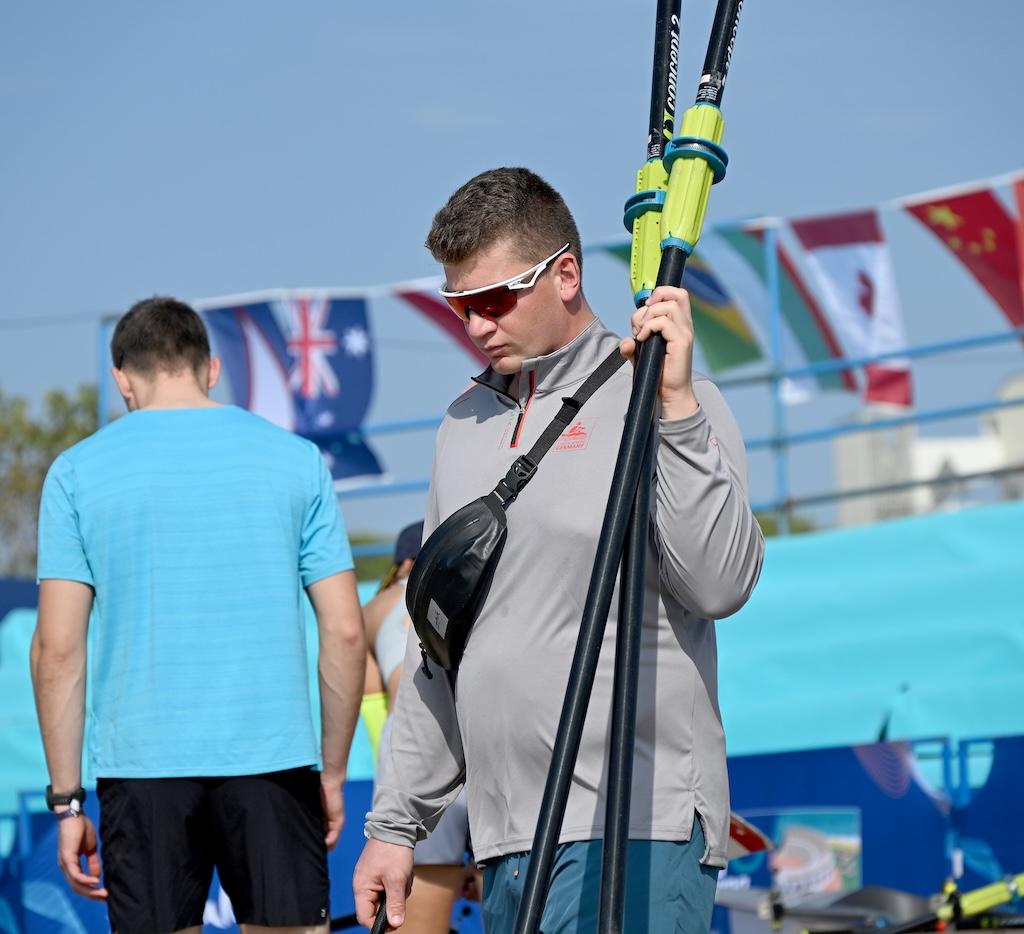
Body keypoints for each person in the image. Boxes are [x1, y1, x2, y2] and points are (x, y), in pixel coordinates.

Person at [353, 167, 765, 933]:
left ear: (566, 275)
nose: (477, 325)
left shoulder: (664, 393)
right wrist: (394, 825)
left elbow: (722, 584)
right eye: (459, 306)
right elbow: (437, 647)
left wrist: (676, 410)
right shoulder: (460, 426)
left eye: (494, 299)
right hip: (506, 833)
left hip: (641, 823)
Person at [31, 297, 367, 934]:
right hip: (274, 765)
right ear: (211, 369)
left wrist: (68, 801)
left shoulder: (76, 473)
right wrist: (331, 774)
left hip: (142, 770)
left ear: (122, 379)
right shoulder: (296, 459)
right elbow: (346, 632)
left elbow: (58, 651)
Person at [362, 521, 480, 933]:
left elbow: (378, 719)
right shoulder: (484, 582)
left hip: (422, 751)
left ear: (403, 564)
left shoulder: (377, 608)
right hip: (487, 738)